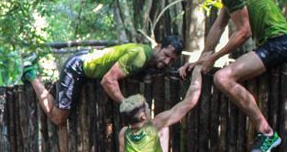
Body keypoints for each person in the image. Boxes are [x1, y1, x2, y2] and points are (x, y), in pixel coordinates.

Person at [179, 0, 287, 152]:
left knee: (222, 78)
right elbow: (219, 26)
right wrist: (201, 59)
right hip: (281, 44)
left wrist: (213, 58)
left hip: (279, 44)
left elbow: (244, 32)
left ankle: (267, 132)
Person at [21, 37, 184, 126]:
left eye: (172, 60)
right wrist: (127, 104)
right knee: (58, 118)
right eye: (166, 54)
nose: (167, 61)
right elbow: (108, 81)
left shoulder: (149, 59)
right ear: (158, 47)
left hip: (88, 60)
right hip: (77, 66)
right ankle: (31, 74)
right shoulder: (141, 56)